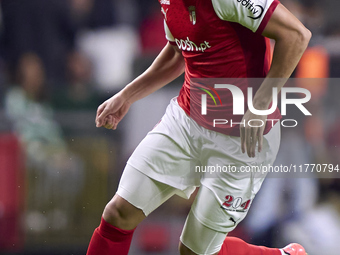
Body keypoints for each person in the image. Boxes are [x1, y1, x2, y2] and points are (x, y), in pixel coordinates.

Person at [86, 0, 311, 254]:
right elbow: (177, 53)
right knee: (118, 213)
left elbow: (296, 35)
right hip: (186, 121)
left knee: (193, 251)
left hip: (242, 140)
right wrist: (126, 96)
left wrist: (259, 105)